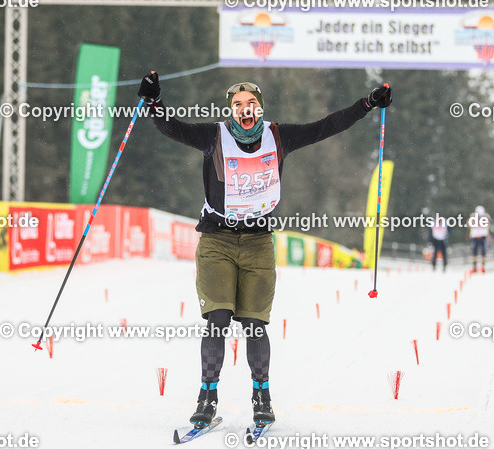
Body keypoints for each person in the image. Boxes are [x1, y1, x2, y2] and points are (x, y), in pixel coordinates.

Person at [138, 72, 392, 427]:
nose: (245, 109)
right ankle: (207, 397)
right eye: (238, 104)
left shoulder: (279, 136)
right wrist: (153, 100)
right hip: (217, 240)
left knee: (255, 325)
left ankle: (262, 395)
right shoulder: (214, 136)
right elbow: (171, 128)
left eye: (251, 103)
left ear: (260, 108)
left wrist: (367, 104)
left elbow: (327, 126)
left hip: (258, 243)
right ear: (230, 110)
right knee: (218, 319)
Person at [469, 205, 491, 273]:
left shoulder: (486, 217)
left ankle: (483, 266)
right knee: (474, 252)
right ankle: (474, 266)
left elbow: (488, 225)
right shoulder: (472, 217)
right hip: (475, 236)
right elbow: (469, 225)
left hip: (483, 236)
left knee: (483, 252)